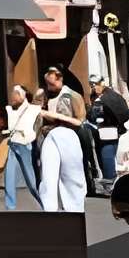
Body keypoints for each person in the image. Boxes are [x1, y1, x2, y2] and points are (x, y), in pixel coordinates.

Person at [38, 68, 88, 212]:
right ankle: (49, 209)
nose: (49, 87)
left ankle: (74, 209)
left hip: (68, 135)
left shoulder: (73, 96)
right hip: (50, 135)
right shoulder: (46, 95)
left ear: (60, 79)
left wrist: (53, 116)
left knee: (72, 176)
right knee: (48, 175)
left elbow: (80, 121)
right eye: (47, 83)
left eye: (51, 83)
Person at [87, 74, 129, 193]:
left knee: (106, 156)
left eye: (95, 84)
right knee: (109, 156)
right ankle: (111, 182)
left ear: (102, 83)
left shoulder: (103, 99)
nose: (93, 87)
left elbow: (92, 116)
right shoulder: (113, 95)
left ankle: (109, 184)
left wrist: (103, 117)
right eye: (91, 85)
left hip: (106, 132)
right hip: (113, 131)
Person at [2, 84, 41, 211]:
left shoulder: (34, 109)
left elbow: (39, 125)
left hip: (25, 145)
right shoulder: (9, 109)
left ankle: (43, 203)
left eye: (16, 93)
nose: (13, 96)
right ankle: (10, 206)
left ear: (23, 96)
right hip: (12, 145)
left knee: (31, 179)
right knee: (9, 176)